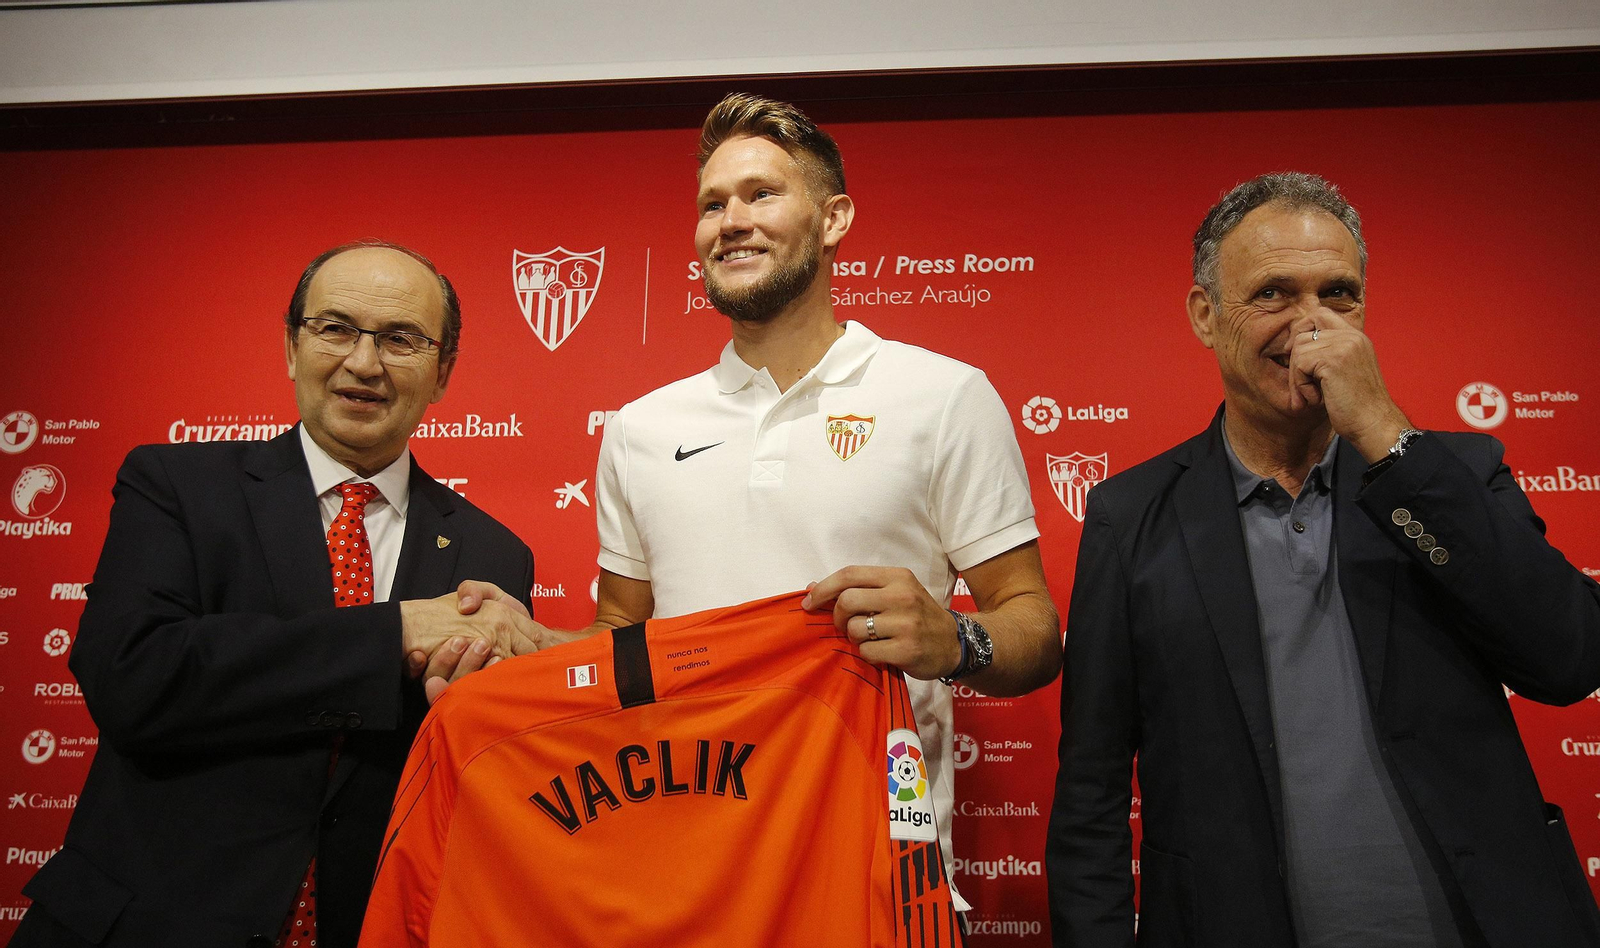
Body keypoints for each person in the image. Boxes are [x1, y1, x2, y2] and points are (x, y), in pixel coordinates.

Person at [460, 93, 1061, 913]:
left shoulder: (944, 396)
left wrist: (951, 637)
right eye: (712, 204)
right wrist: (532, 645)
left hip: (875, 878)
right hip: (680, 874)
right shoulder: (642, 428)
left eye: (760, 194)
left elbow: (1033, 628)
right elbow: (620, 644)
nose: (729, 221)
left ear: (835, 217)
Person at [1046, 172, 1600, 948]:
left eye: (1338, 295)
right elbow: (1092, 792)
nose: (1311, 326)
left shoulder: (1457, 477)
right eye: (1273, 294)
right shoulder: (1130, 517)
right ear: (1205, 316)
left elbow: (1569, 656)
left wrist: (1385, 435)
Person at [12, 242, 537, 948]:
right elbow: (130, 676)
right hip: (148, 925)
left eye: (402, 339)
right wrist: (392, 635)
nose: (364, 362)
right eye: (336, 328)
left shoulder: (493, 556)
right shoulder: (176, 486)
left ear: (442, 373)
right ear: (292, 347)